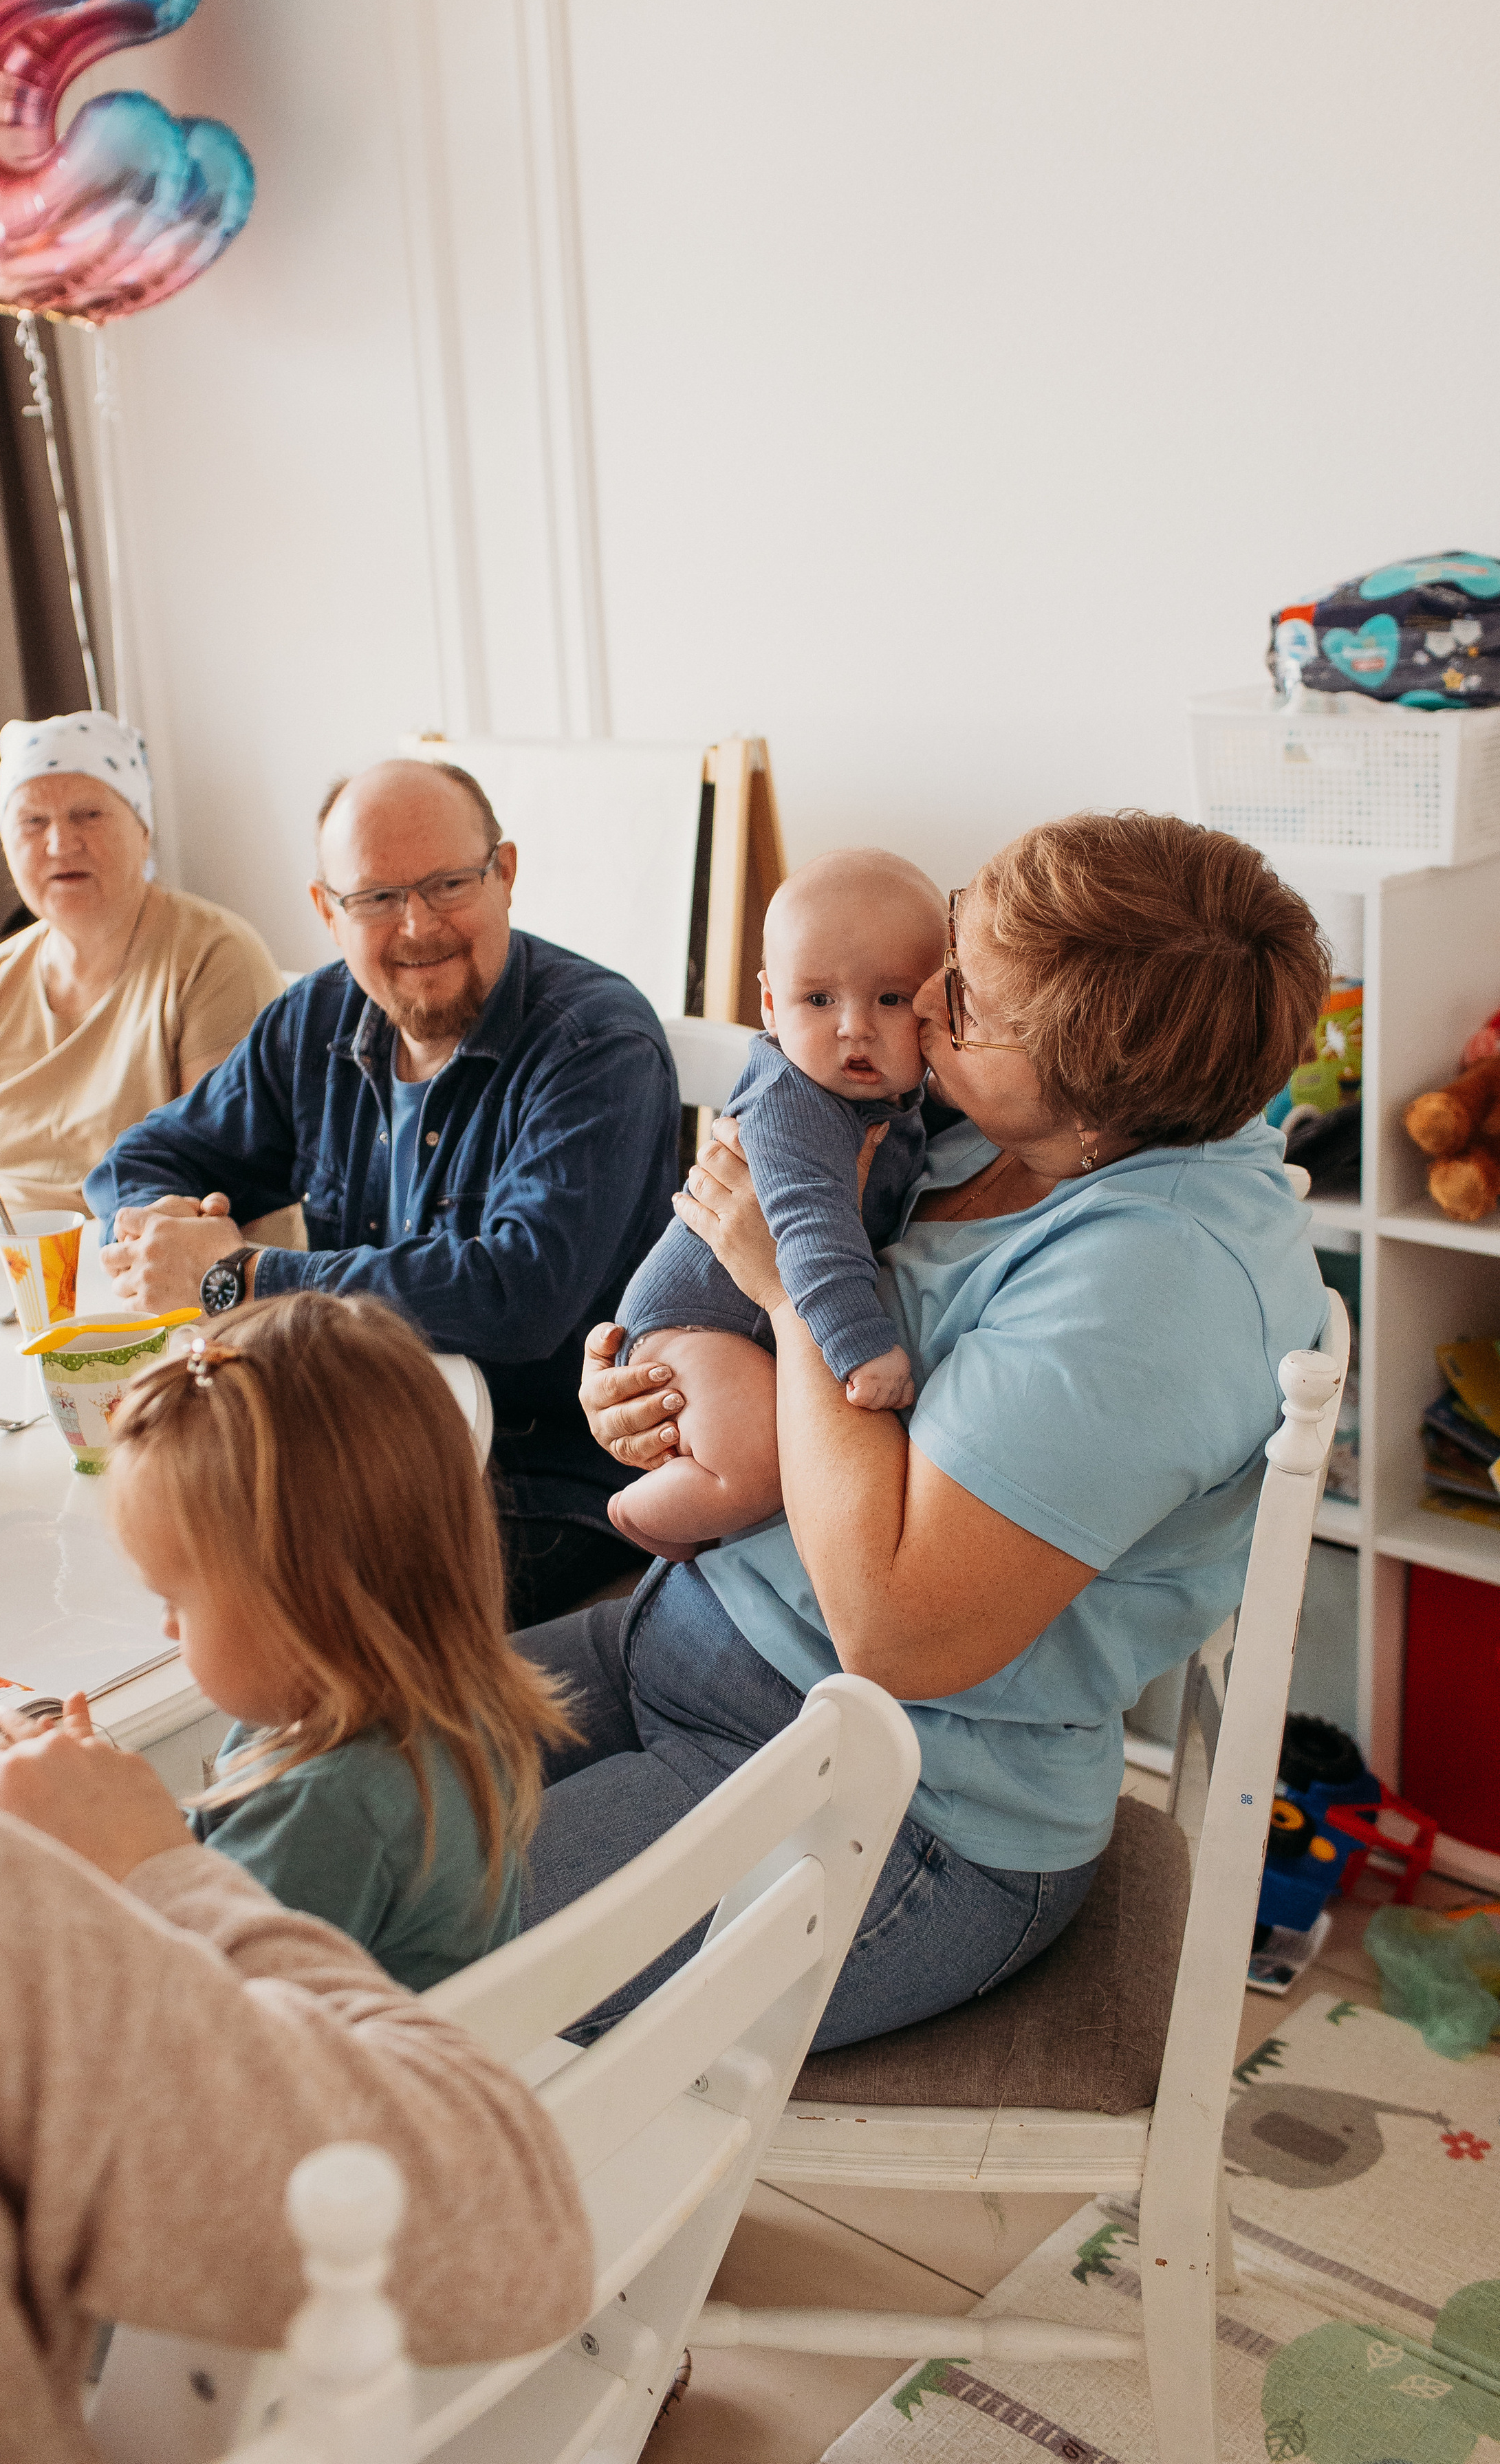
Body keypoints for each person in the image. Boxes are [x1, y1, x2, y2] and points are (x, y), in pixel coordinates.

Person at [529, 811, 1332, 2051]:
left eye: (964, 1003)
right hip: (693, 1632)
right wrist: (656, 1382)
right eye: (956, 949)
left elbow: (895, 1629)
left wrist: (787, 1296)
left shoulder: (1154, 1285)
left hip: (899, 1797)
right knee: (309, 1780)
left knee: (395, 1940)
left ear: (1090, 1100)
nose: (922, 1004)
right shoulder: (975, 1121)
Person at [0, 1498, 592, 2460]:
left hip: (297, 2225)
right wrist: (128, 1857)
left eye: (176, 1600)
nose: (163, 1630)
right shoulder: (412, 1717)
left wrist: (120, 1860)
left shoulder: (321, 1797)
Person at [85, 758, 680, 1628]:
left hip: (543, 1475)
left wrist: (239, 1276)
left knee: (269, 1606)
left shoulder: (595, 1043)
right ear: (328, 911)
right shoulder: (318, 1017)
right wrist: (164, 1232)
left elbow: (518, 1295)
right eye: (376, 898)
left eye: (449, 884)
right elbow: (141, 1159)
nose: (417, 925)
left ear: (505, 874)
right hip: (353, 1443)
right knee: (137, 1542)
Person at [92, 1290, 573, 1987]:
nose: (166, 1628)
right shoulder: (447, 1701)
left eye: (176, 1602)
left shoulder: (324, 1811)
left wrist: (102, 1866)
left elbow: (190, 2011)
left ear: (301, 1606)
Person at [610, 850, 946, 1557]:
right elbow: (813, 1237)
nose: (854, 1027)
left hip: (750, 1321)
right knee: (758, 1465)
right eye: (818, 1000)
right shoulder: (792, 1106)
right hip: (698, 1323)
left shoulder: (896, 1093)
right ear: (769, 1004)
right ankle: (637, 1518)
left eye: (890, 1000)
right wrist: (862, 1349)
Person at [0, 713, 292, 1225]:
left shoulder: (215, 957)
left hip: (138, 1260)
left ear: (143, 831)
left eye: (88, 815)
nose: (60, 844)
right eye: (32, 822)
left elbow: (221, 1187)